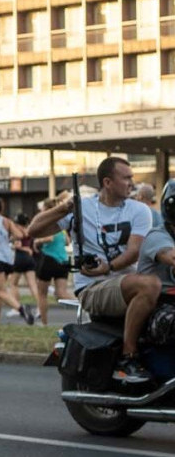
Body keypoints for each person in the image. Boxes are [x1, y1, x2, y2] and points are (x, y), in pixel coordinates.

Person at [30, 157, 158, 384]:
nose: (132, 182)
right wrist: (66, 207)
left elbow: (134, 252)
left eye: (132, 177)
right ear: (108, 182)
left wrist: (108, 267)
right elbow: (34, 230)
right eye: (126, 178)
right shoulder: (83, 208)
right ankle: (128, 359)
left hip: (125, 282)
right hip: (92, 287)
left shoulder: (140, 210)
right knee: (149, 284)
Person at [0, 197, 36, 326]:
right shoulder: (7, 221)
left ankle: (21, 309)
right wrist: (6, 238)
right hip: (8, 258)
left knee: (0, 291)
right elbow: (20, 235)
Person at [34, 194, 72, 327]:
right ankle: (83, 305)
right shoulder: (61, 223)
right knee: (62, 293)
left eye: (42, 208)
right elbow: (67, 241)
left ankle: (44, 323)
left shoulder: (48, 222)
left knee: (42, 293)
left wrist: (38, 240)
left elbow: (49, 238)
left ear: (46, 209)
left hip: (49, 258)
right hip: (63, 260)